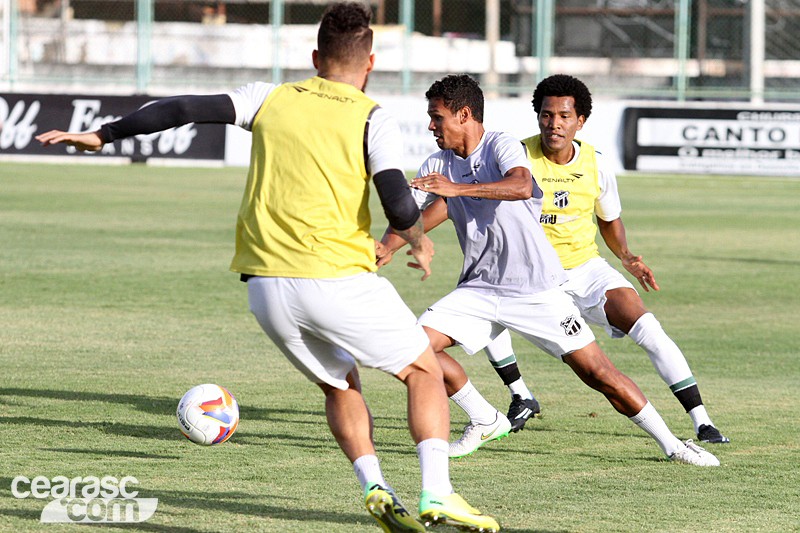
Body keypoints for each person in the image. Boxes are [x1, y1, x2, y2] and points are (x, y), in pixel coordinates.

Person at [35, 4, 499, 532]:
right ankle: (437, 493)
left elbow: (182, 106)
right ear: (369, 62)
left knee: (341, 385)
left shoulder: (268, 97)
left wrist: (104, 135)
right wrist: (416, 238)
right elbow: (396, 200)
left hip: (265, 290)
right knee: (422, 371)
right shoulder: (373, 116)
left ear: (314, 57)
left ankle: (374, 487)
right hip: (333, 276)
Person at [378, 74, 719, 467]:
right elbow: (413, 213)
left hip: (535, 289)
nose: (430, 126)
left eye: (436, 117)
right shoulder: (436, 163)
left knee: (598, 374)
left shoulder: (502, 145)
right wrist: (385, 247)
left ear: (464, 114)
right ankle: (485, 418)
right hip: (478, 288)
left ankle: (674, 445)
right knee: (412, 348)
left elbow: (521, 186)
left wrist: (455, 190)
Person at [478, 74, 728, 444]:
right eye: (547, 115)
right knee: (484, 312)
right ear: (538, 117)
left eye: (564, 116)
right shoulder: (516, 157)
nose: (554, 124)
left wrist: (627, 257)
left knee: (649, 328)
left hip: (586, 268)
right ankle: (521, 395)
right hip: (533, 277)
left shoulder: (595, 164)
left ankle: (702, 423)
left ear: (580, 121)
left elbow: (609, 219)